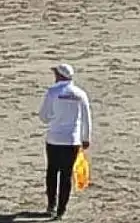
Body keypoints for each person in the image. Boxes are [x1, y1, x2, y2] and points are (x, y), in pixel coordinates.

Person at [39, 63, 92, 220]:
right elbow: (86, 119)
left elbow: (44, 116)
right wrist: (86, 138)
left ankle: (51, 205)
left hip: (54, 138)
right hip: (72, 140)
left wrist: (54, 118)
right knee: (66, 174)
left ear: (59, 75)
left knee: (52, 171)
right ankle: (61, 210)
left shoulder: (53, 92)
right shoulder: (80, 94)